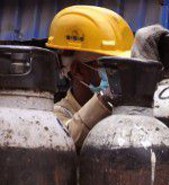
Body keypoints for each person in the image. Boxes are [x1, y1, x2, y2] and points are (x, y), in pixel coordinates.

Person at [47, 5, 134, 150]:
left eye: (121, 65)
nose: (118, 73)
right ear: (78, 70)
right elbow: (66, 138)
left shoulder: (123, 110)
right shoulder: (55, 115)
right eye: (109, 66)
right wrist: (103, 99)